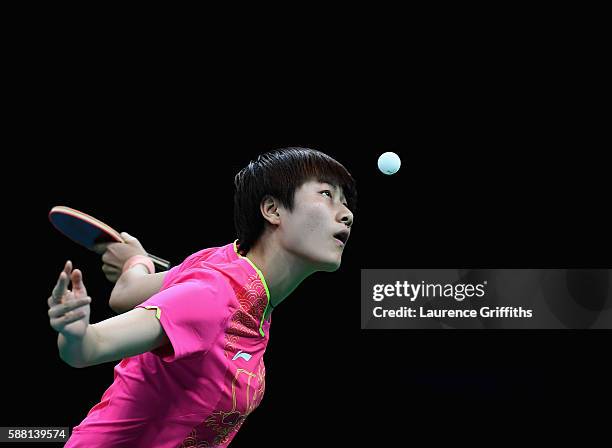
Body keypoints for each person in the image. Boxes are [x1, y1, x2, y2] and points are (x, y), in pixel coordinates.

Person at [48, 147, 357, 447]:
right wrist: (75, 334)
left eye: (346, 202)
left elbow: (127, 293)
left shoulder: (225, 260)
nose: (347, 215)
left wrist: (135, 260)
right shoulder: (213, 297)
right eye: (327, 195)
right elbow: (89, 348)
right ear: (272, 210)